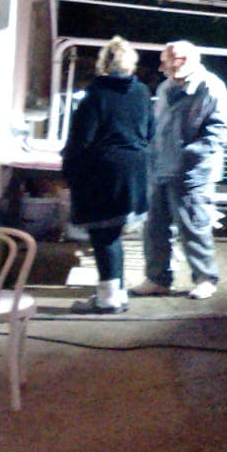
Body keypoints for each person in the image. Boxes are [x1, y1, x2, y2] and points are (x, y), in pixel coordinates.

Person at [132, 40, 227, 300]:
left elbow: (222, 130)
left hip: (193, 174)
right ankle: (157, 279)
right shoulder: (166, 86)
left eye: (166, 62)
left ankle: (205, 278)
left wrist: (189, 154)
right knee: (154, 229)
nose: (161, 67)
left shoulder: (210, 86)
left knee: (194, 227)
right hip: (161, 168)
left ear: (184, 61)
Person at [61, 36, 153, 314]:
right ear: (131, 64)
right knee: (113, 234)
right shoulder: (142, 92)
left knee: (103, 236)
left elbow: (82, 139)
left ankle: (109, 300)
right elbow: (150, 131)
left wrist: (69, 169)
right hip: (135, 170)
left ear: (104, 63)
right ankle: (117, 293)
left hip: (103, 172)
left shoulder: (96, 94)